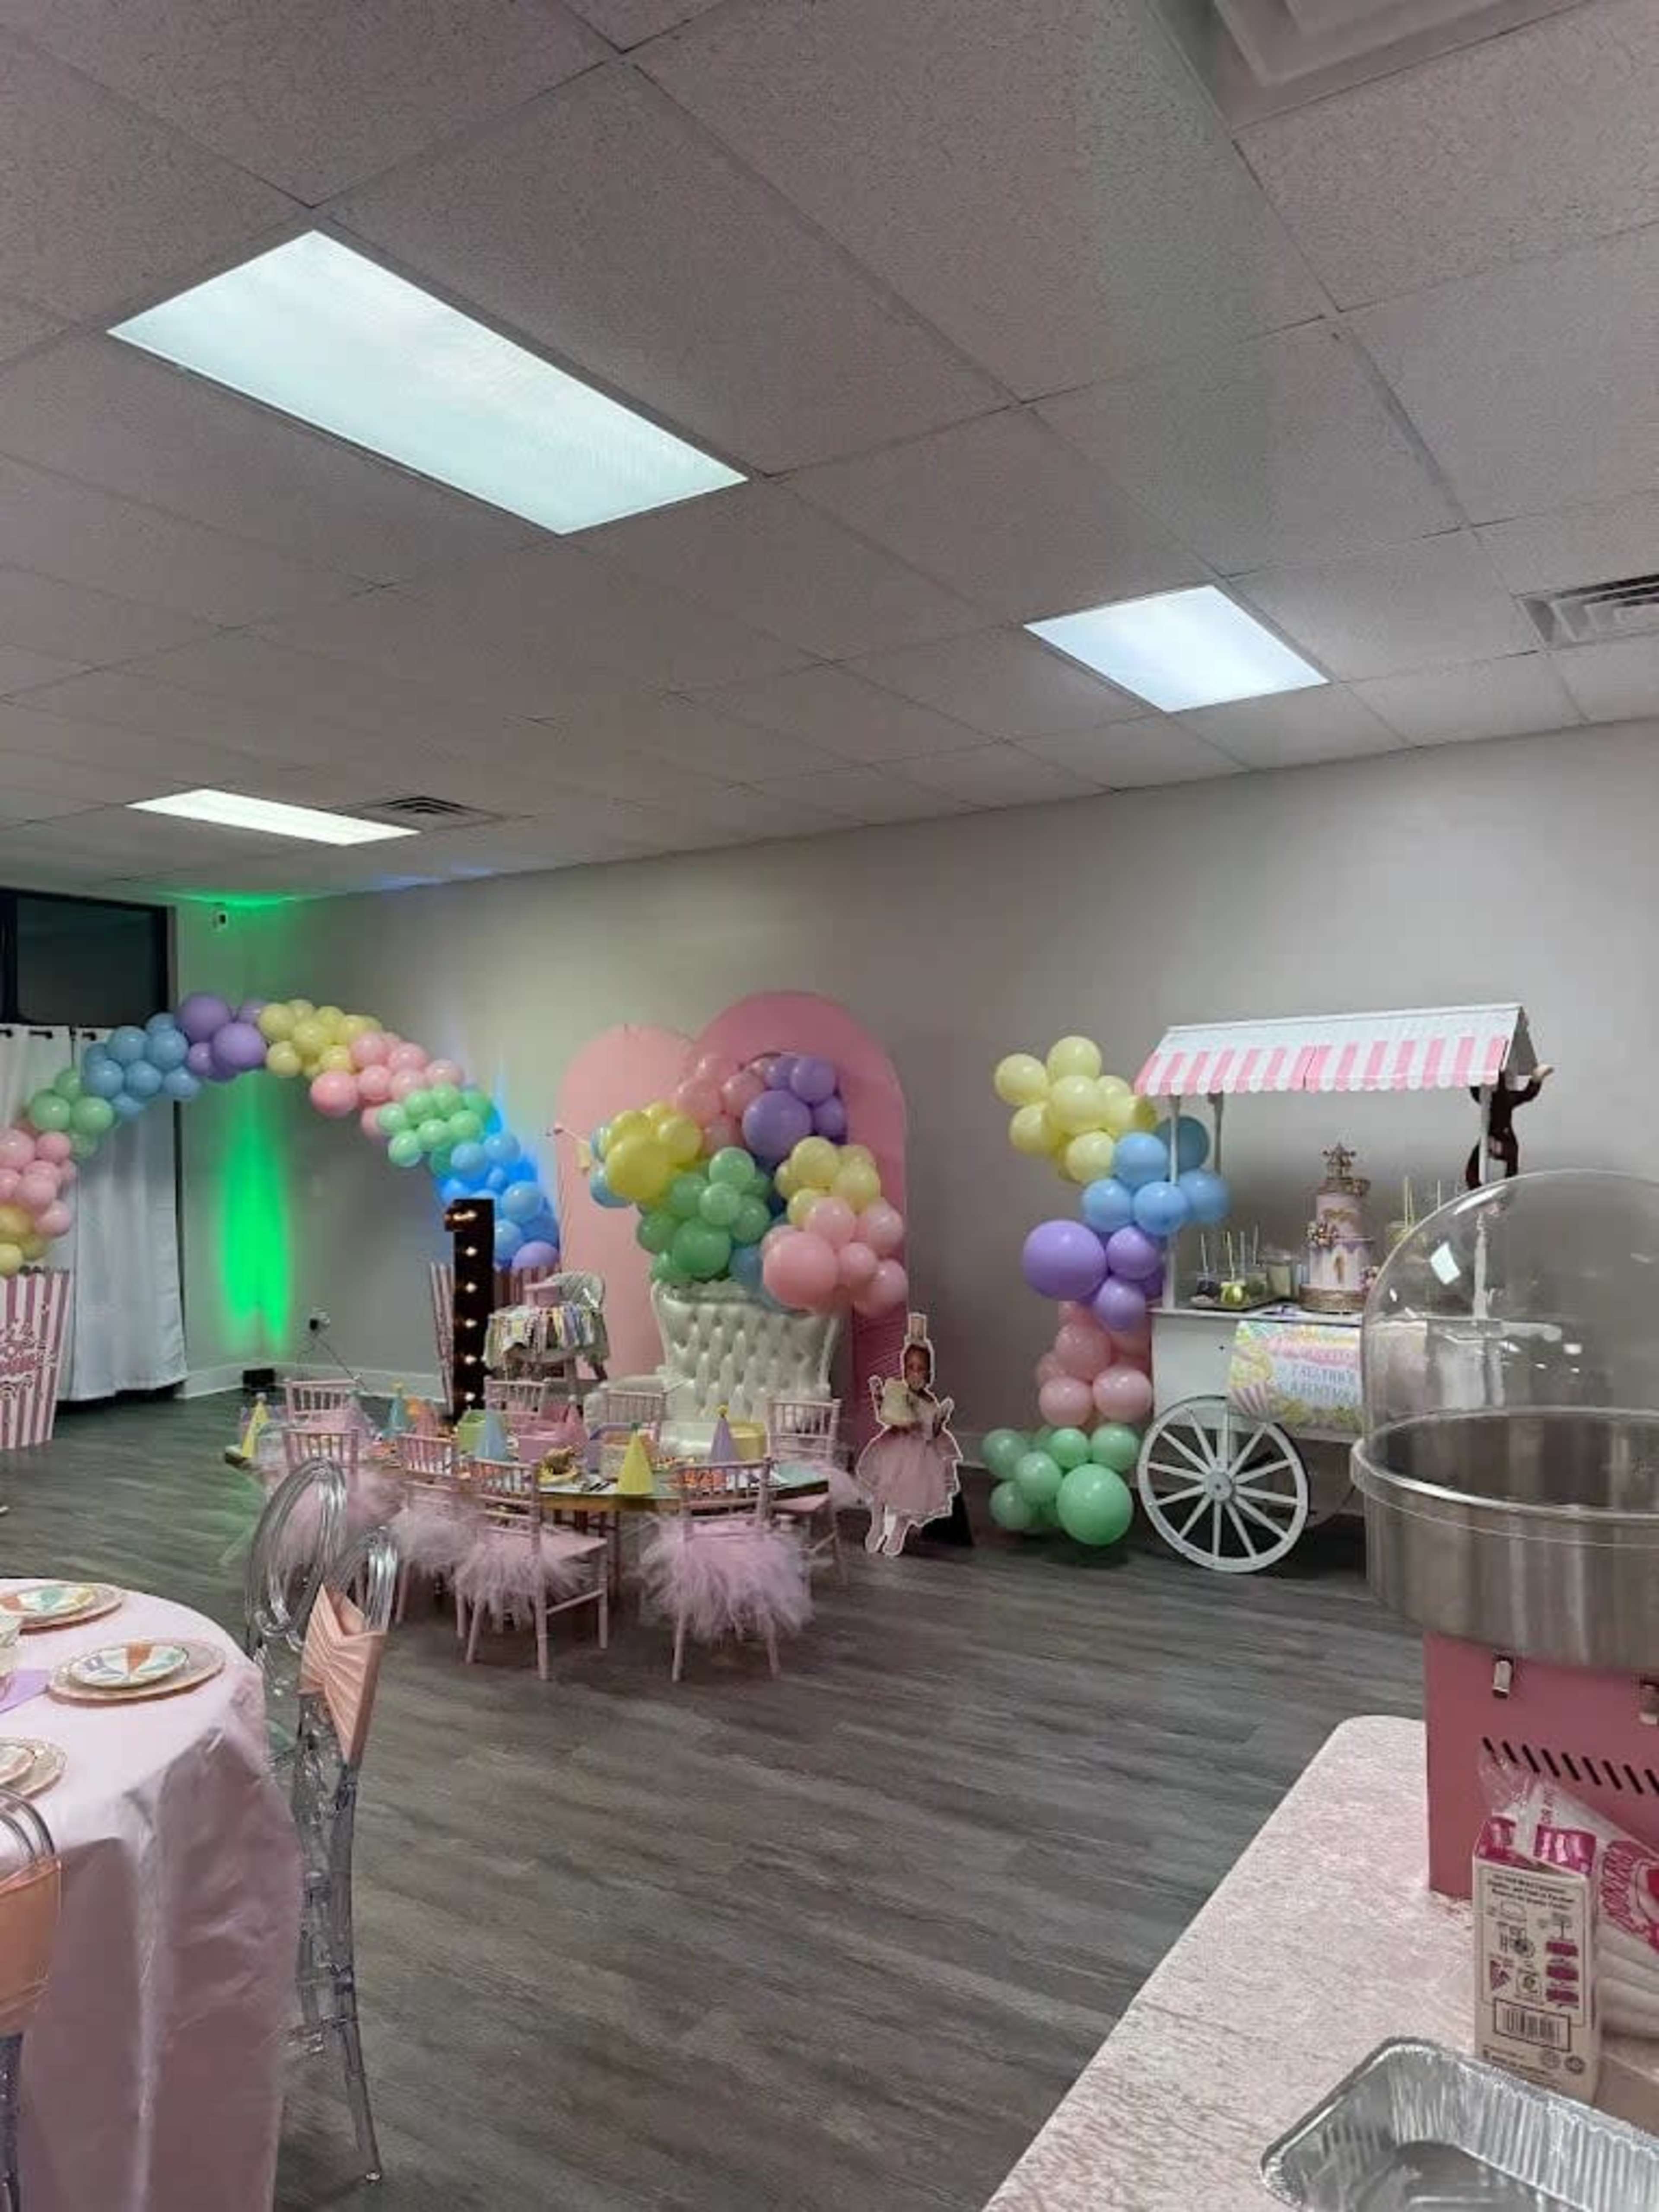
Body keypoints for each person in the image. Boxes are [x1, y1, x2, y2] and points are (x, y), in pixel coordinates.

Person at [855, 1332, 960, 1557]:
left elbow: (932, 1433)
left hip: (918, 1451)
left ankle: (899, 1531)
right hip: (894, 1445)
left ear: (928, 1374)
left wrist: (941, 1418)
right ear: (904, 1370)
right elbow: (886, 1415)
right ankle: (877, 1523)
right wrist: (878, 1396)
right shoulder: (898, 1392)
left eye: (920, 1369)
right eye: (910, 1367)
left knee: (908, 1493)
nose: (914, 1373)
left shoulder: (929, 1400)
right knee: (882, 1487)